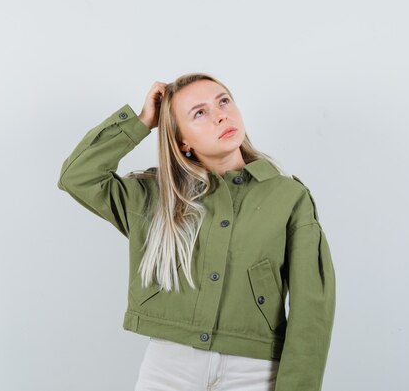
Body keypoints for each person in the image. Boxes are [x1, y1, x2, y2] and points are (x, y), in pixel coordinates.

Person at [57, 73, 336, 391]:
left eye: (224, 101)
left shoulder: (288, 197)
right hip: (169, 367)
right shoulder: (154, 196)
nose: (221, 115)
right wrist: (141, 122)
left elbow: (313, 305)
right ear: (182, 142)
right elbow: (77, 177)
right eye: (199, 113)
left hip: (256, 369)